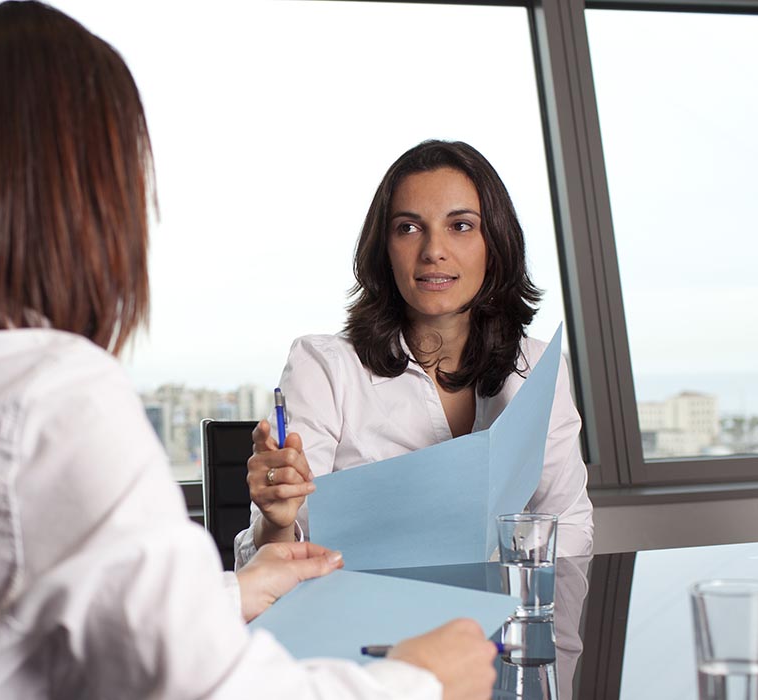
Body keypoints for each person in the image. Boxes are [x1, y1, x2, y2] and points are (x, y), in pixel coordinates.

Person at [0, 4, 497, 698]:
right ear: (84, 194)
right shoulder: (56, 399)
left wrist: (229, 591)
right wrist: (418, 679)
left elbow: (13, 610)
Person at [236, 140, 594, 568]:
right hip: (363, 625)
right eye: (408, 228)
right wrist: (276, 523)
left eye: (460, 225)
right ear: (384, 250)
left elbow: (569, 524)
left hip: (499, 625)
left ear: (494, 242)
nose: (433, 251)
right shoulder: (324, 367)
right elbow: (269, 563)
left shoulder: (537, 368)